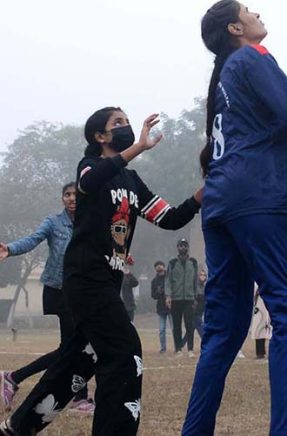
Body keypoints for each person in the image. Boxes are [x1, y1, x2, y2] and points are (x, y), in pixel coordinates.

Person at [181, 0, 287, 436]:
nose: (258, 12)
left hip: (221, 203)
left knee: (225, 329)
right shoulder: (252, 56)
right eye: (249, 9)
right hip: (256, 197)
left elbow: (277, 118)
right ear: (237, 27)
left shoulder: (225, 76)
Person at [0, 107, 203, 436]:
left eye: (126, 121)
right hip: (85, 278)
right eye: (118, 123)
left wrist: (206, 191)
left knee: (82, 357)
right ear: (100, 136)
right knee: (125, 350)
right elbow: (90, 180)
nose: (126, 127)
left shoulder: (132, 182)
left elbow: (172, 218)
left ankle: (16, 428)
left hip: (107, 284)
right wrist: (138, 148)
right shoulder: (90, 168)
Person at [0, 183, 94, 415]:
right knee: (75, 346)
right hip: (59, 291)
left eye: (75, 195)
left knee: (72, 348)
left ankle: (14, 377)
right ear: (62, 199)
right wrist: (9, 249)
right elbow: (33, 239)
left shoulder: (89, 221)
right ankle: (79, 397)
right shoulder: (53, 222)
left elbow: (100, 247)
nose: (72, 198)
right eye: (67, 195)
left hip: (81, 291)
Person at [165, 238, 198, 357]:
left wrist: (196, 297)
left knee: (190, 324)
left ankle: (190, 349)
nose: (183, 248)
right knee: (177, 325)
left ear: (187, 247)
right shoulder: (172, 262)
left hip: (189, 298)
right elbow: (168, 280)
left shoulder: (193, 262)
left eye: (185, 246)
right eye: (181, 246)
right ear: (177, 247)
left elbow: (195, 281)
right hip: (176, 298)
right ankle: (178, 348)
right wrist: (168, 296)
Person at [150, 261, 170, 352]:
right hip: (161, 307)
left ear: (164, 266)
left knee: (175, 328)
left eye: (160, 265)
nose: (159, 267)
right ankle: (163, 348)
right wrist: (158, 293)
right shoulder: (154, 281)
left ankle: (178, 347)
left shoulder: (169, 278)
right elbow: (153, 295)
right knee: (162, 330)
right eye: (157, 266)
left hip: (171, 306)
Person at [251, 284, 272, 359]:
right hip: (259, 308)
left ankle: (273, 352)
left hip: (269, 306)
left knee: (269, 329)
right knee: (258, 330)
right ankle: (260, 352)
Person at [193, 268, 207, 343]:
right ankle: (206, 341)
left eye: (204, 275)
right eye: (201, 275)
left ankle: (180, 344)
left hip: (201, 311)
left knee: (191, 329)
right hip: (194, 311)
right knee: (200, 327)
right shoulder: (195, 287)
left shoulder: (205, 287)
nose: (202, 276)